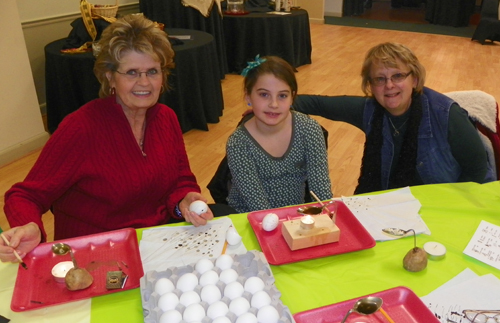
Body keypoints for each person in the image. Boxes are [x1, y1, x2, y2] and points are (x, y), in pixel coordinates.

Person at [0, 14, 231, 264]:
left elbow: (180, 179)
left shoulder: (166, 118)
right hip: (95, 256)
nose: (144, 82)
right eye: (132, 72)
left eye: (152, 71)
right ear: (110, 77)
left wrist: (185, 199)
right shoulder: (81, 128)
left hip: (154, 245)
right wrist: (30, 225)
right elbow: (25, 195)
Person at [294, 42, 494, 195]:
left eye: (398, 76)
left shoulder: (447, 115)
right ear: (370, 85)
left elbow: (477, 171)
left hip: (447, 202)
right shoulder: (370, 110)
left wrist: (445, 209)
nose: (389, 85)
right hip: (394, 209)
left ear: (414, 79)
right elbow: (315, 103)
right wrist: (271, 106)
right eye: (380, 79)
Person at [225, 55, 332, 213]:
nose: (273, 104)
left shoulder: (309, 129)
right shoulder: (238, 143)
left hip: (294, 217)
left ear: (292, 97)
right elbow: (258, 206)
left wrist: (326, 217)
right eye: (264, 94)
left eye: (282, 96)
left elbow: (321, 190)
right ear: (248, 96)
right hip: (249, 217)